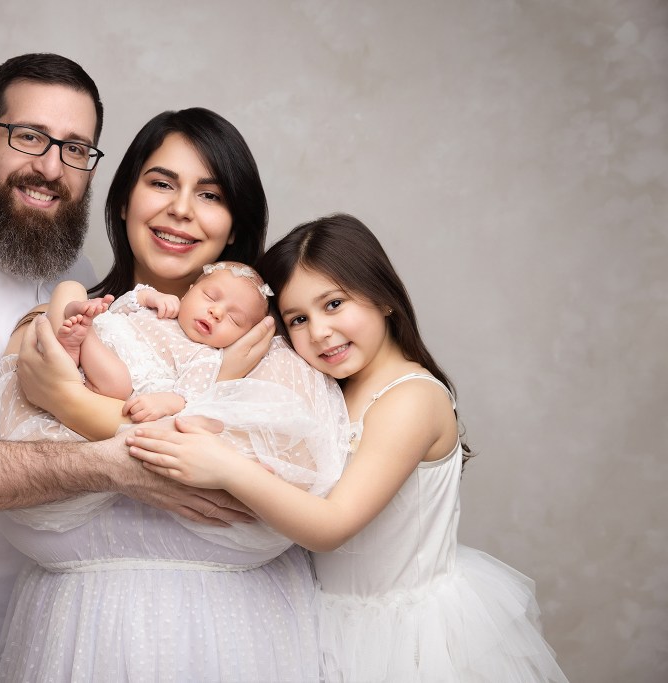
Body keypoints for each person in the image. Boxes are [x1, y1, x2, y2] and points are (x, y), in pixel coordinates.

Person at [0, 54, 257, 683]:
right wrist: (109, 464)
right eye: (30, 136)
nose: (50, 167)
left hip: (75, 631)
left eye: (76, 149)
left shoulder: (84, 279)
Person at [0, 109, 349, 682]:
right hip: (71, 640)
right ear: (123, 200)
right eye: (160, 183)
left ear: (235, 225)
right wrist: (71, 302)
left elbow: (288, 484)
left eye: (210, 193)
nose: (181, 208)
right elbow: (14, 473)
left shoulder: (280, 348)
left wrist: (73, 405)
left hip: (244, 645)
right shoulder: (59, 325)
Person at [127, 214, 570, 682]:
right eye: (298, 318)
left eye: (334, 304)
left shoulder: (411, 398)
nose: (318, 332)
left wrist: (226, 467)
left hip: (405, 635)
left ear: (381, 296)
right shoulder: (329, 390)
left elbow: (331, 526)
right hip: (327, 619)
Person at [48, 261, 276, 422]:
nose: (216, 312)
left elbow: (188, 398)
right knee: (73, 293)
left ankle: (81, 337)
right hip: (105, 331)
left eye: (234, 319)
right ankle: (78, 320)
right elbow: (119, 308)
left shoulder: (206, 357)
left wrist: (165, 402)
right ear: (188, 293)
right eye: (210, 297)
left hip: (115, 373)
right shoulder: (167, 308)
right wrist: (147, 297)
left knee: (118, 383)